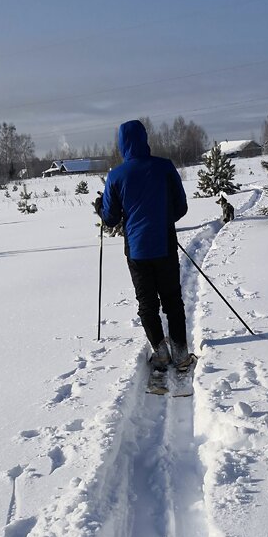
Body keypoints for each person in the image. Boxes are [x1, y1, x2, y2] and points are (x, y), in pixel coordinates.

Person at [96, 119, 191, 370]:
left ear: (121, 144)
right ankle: (181, 354)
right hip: (165, 245)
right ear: (145, 139)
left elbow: (111, 218)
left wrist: (99, 208)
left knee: (147, 303)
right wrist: (160, 219)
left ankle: (160, 353)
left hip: (137, 251)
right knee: (172, 300)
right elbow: (181, 207)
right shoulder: (165, 167)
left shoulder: (116, 176)